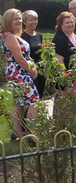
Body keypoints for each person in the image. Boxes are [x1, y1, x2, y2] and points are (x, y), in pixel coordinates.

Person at [1, 9, 39, 140]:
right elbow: (19, 58)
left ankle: (17, 132)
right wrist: (32, 69)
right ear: (8, 21)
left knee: (19, 102)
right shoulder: (10, 37)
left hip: (16, 71)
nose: (19, 21)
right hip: (19, 72)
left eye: (19, 18)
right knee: (34, 100)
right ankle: (32, 132)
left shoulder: (11, 35)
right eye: (15, 19)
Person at [21, 10, 45, 99]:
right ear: (24, 22)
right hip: (29, 68)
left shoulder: (39, 35)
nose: (34, 22)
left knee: (40, 93)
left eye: (35, 19)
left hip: (40, 69)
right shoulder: (21, 36)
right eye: (31, 20)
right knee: (32, 96)